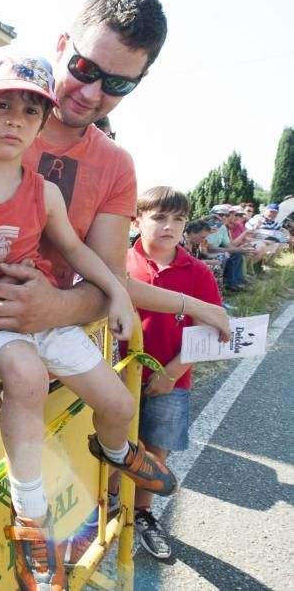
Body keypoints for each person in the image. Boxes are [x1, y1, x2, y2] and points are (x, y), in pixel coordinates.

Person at [0, 55, 174, 590]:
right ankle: (31, 520)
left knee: (120, 404)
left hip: (44, 314)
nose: (15, 120)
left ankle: (114, 450)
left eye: (28, 111)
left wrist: (116, 291)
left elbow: (76, 251)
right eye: (2, 106)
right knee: (25, 374)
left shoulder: (42, 192)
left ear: (42, 126)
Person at [0, 0, 229, 360]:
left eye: (116, 83)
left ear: (139, 82)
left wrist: (55, 309)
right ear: (63, 45)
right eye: (85, 69)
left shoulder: (116, 164)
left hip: (47, 363)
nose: (91, 93)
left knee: (120, 409)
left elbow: (110, 277)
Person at [126, 186, 222, 560]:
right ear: (137, 221)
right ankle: (106, 510)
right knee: (113, 446)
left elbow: (214, 327)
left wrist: (171, 372)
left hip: (172, 382)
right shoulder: (120, 263)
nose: (169, 226)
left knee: (155, 452)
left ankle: (143, 513)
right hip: (118, 378)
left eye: (178, 219)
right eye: (159, 217)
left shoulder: (197, 272)